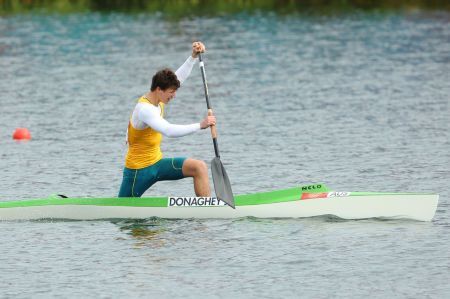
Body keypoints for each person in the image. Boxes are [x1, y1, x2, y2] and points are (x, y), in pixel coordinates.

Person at [118, 41, 216, 198]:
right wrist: (200, 125)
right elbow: (168, 130)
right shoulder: (145, 110)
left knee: (199, 167)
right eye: (171, 92)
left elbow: (179, 77)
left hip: (157, 164)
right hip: (138, 172)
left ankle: (208, 210)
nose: (174, 95)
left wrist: (193, 57)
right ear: (158, 89)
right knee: (123, 209)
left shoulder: (159, 98)